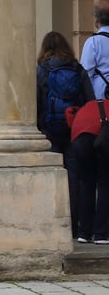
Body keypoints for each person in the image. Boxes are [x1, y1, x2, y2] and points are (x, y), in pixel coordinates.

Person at [37, 31, 94, 240]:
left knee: (52, 175)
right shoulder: (77, 69)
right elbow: (90, 100)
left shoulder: (41, 70)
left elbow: (35, 101)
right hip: (74, 130)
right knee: (74, 176)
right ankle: (74, 226)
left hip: (49, 129)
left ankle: (53, 223)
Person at [66, 97, 109, 244]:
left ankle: (84, 233)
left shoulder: (87, 107)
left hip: (79, 140)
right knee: (104, 184)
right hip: (102, 141)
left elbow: (70, 118)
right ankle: (101, 234)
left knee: (86, 184)